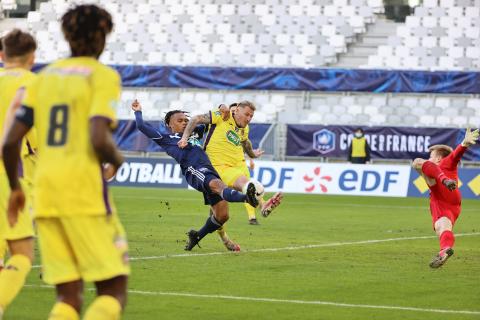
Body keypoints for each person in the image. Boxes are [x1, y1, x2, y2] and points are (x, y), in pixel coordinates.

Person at [3, 5, 130, 320]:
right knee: (113, 289)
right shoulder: (103, 76)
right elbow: (99, 137)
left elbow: (8, 142)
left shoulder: (43, 79)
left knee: (67, 297)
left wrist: (15, 187)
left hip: (45, 196)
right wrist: (116, 159)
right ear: (102, 37)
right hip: (84, 194)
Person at [131, 100, 260, 251]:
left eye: (186, 120)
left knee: (222, 216)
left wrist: (222, 108)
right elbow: (141, 126)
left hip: (211, 169)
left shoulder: (195, 132)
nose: (185, 123)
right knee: (219, 186)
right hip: (194, 170)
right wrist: (138, 111)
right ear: (170, 125)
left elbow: (212, 119)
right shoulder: (165, 139)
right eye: (180, 121)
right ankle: (247, 198)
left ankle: (197, 236)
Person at [179, 101, 283, 246]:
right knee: (223, 211)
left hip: (234, 168)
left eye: (251, 116)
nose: (248, 118)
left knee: (228, 208)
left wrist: (253, 154)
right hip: (214, 169)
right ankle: (224, 236)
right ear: (236, 111)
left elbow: (246, 143)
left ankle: (260, 204)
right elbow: (196, 119)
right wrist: (184, 138)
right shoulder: (222, 116)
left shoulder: (244, 129)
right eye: (246, 114)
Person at [0, 29, 37, 317]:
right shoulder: (36, 86)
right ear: (32, 58)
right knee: (22, 254)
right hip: (10, 176)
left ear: (2, 56)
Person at [412, 127, 479, 268]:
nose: (430, 158)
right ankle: (445, 249)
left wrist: (463, 145)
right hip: (452, 203)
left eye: (431, 155)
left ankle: (442, 179)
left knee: (418, 162)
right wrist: (464, 144)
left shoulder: (445, 162)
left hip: (444, 191)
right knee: (442, 228)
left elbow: (455, 156)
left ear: (438, 158)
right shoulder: (443, 165)